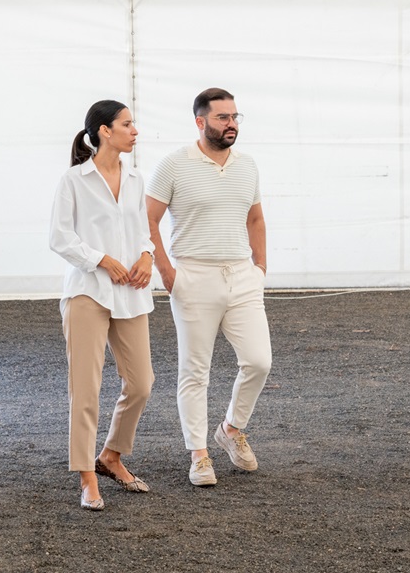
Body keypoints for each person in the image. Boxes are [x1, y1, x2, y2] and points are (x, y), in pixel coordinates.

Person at [146, 87, 271, 487]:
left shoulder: (247, 165)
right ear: (200, 122)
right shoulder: (174, 164)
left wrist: (260, 267)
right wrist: (166, 271)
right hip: (193, 276)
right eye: (223, 117)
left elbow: (255, 219)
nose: (231, 124)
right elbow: (147, 219)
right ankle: (199, 455)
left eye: (235, 117)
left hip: (242, 277)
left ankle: (231, 429)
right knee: (195, 370)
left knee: (259, 361)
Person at [49, 100, 156, 511]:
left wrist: (146, 256)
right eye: (127, 124)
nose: (135, 130)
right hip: (87, 292)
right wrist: (101, 260)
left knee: (141, 383)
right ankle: (87, 476)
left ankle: (111, 455)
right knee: (86, 389)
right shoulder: (74, 180)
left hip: (130, 291)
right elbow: (60, 238)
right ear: (105, 131)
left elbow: (143, 231)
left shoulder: (136, 178)